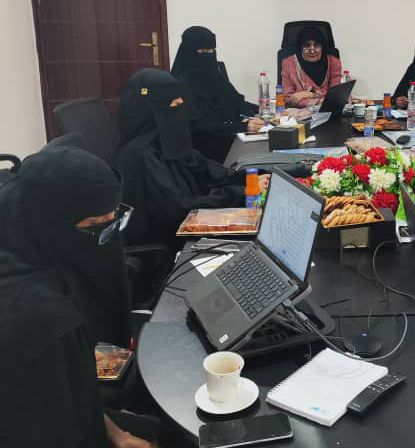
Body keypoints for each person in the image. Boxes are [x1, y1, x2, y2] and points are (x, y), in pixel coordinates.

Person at [0, 146, 155, 447]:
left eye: (115, 220)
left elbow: (72, 396)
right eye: (96, 227)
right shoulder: (37, 319)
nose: (109, 240)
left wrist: (116, 434)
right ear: (50, 223)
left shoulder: (20, 231)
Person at [117, 68, 269, 248]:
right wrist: (242, 192)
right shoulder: (143, 154)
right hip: (171, 245)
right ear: (151, 110)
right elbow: (179, 208)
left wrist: (254, 178)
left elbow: (208, 171)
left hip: (190, 223)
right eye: (173, 103)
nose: (181, 105)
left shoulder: (168, 139)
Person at [171, 26, 263, 163]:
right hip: (203, 152)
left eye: (212, 51)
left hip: (229, 138)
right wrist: (242, 127)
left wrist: (261, 111)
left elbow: (237, 102)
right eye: (203, 51)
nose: (209, 55)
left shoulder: (215, 76)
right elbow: (199, 127)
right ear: (189, 52)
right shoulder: (179, 85)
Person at [281, 26, 342, 108]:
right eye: (307, 45)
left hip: (327, 111)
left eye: (316, 45)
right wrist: (319, 99)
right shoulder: (288, 63)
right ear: (300, 48)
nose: (312, 50)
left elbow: (335, 96)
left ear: (322, 47)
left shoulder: (334, 62)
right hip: (298, 113)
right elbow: (288, 99)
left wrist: (308, 94)